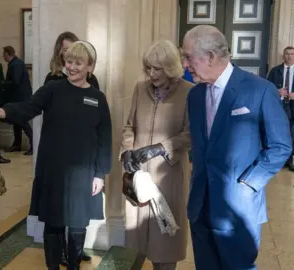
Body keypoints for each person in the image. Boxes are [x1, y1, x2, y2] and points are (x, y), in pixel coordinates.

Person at [0, 41, 112, 270]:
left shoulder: (98, 98)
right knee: (54, 222)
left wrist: (100, 174)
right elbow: (29, 107)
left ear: (90, 66)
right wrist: (3, 111)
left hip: (84, 173)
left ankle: (74, 266)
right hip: (53, 169)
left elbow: (104, 138)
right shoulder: (53, 89)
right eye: (69, 61)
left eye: (79, 62)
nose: (72, 67)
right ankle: (52, 267)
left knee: (78, 224)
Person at [182, 25, 292, 269]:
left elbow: (281, 146)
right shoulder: (195, 96)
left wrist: (248, 183)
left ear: (210, 56)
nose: (184, 64)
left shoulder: (260, 90)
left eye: (188, 56)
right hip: (200, 207)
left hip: (238, 209)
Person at [120, 40, 192, 270]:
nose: (151, 74)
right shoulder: (140, 89)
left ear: (171, 67)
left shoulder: (189, 93)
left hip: (168, 176)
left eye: (158, 69)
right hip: (140, 177)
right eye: (148, 68)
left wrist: (161, 147)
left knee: (165, 241)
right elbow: (129, 125)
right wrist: (127, 150)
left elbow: (191, 135)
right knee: (138, 238)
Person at [43, 31, 98, 265]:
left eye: (72, 49)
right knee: (55, 214)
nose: (68, 55)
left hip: (81, 156)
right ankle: (58, 257)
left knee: (77, 212)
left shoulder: (91, 83)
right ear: (60, 52)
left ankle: (74, 252)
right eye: (64, 50)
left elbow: (96, 116)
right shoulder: (52, 80)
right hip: (58, 154)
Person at [2, 45, 34, 155]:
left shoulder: (15, 64)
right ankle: (17, 144)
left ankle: (33, 144)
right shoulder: (17, 63)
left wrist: (2, 84)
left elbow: (15, 82)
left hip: (20, 98)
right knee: (17, 121)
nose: (3, 57)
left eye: (4, 54)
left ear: (7, 54)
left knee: (22, 121)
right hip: (20, 97)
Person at [267, 46, 294, 169]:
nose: (289, 56)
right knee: (278, 132)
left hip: (293, 105)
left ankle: (291, 160)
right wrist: (277, 91)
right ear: (283, 56)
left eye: (292, 54)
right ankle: (280, 160)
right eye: (287, 54)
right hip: (279, 105)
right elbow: (267, 87)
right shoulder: (275, 70)